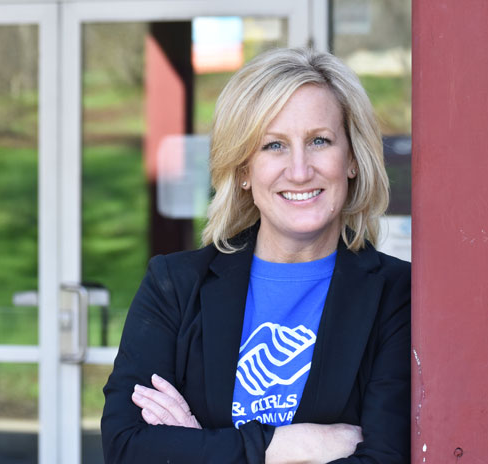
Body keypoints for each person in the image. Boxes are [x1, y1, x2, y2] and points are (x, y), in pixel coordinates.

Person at [101, 47, 410, 463]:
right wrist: (284, 446)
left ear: (352, 158)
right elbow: (127, 448)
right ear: (244, 169)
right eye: (273, 145)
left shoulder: (397, 295)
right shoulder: (174, 286)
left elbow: (384, 458)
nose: (299, 171)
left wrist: (200, 447)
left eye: (319, 141)